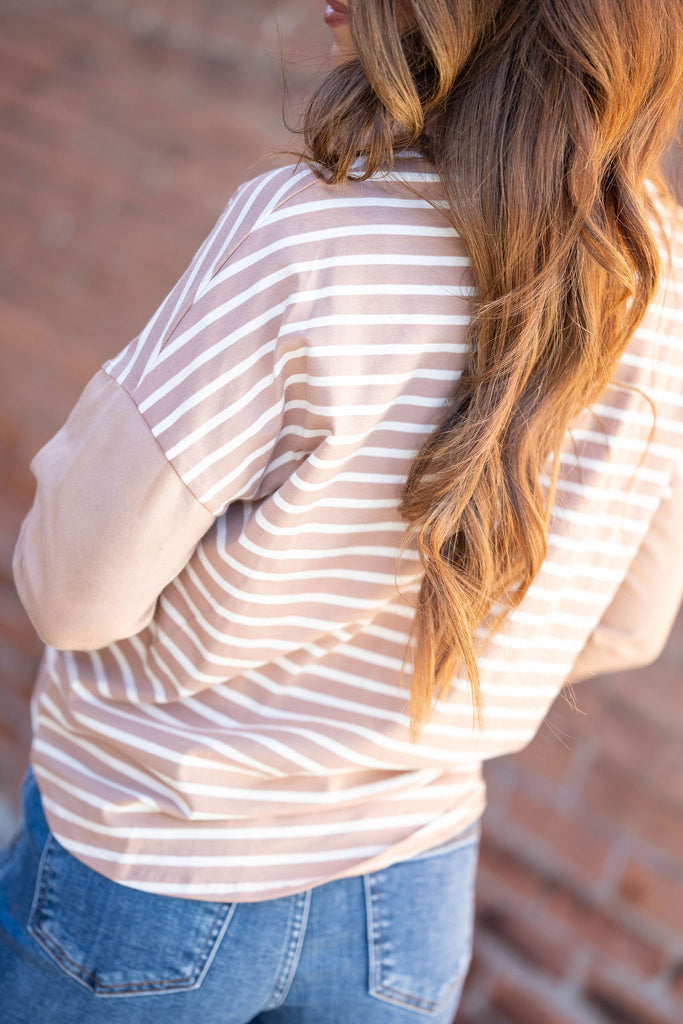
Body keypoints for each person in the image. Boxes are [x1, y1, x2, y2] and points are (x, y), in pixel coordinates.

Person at [2, 1, 682, 1022]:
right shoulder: (654, 276)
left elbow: (72, 593)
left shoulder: (306, 233)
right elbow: (627, 624)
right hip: (409, 897)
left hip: (156, 858)